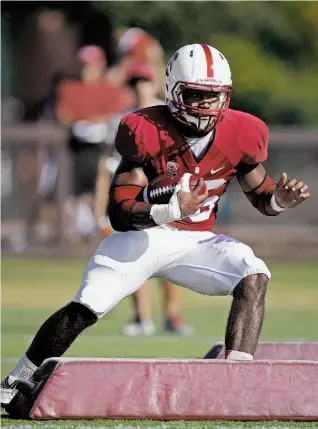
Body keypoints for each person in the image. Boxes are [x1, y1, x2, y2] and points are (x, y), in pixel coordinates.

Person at [1, 43, 310, 409]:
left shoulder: (243, 132)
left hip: (197, 242)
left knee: (253, 273)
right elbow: (119, 211)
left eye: (214, 97)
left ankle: (236, 382)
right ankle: (16, 378)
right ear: (174, 91)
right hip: (143, 236)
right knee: (87, 305)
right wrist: (169, 209)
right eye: (196, 94)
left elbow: (262, 196)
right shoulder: (144, 127)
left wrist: (279, 201)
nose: (206, 105)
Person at [95, 62, 194, 336]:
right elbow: (106, 166)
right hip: (131, 198)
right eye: (137, 81)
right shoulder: (120, 120)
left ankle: (172, 316)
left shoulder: (171, 116)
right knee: (133, 257)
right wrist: (100, 205)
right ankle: (142, 317)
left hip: (165, 196)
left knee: (171, 260)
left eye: (146, 81)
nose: (141, 86)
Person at [55, 45, 134, 240]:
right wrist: (78, 121)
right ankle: (74, 230)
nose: (86, 70)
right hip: (76, 145)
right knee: (73, 189)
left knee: (102, 182)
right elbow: (63, 114)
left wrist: (97, 120)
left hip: (104, 146)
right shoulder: (69, 87)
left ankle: (98, 224)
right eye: (83, 65)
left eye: (90, 65)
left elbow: (117, 113)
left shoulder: (110, 89)